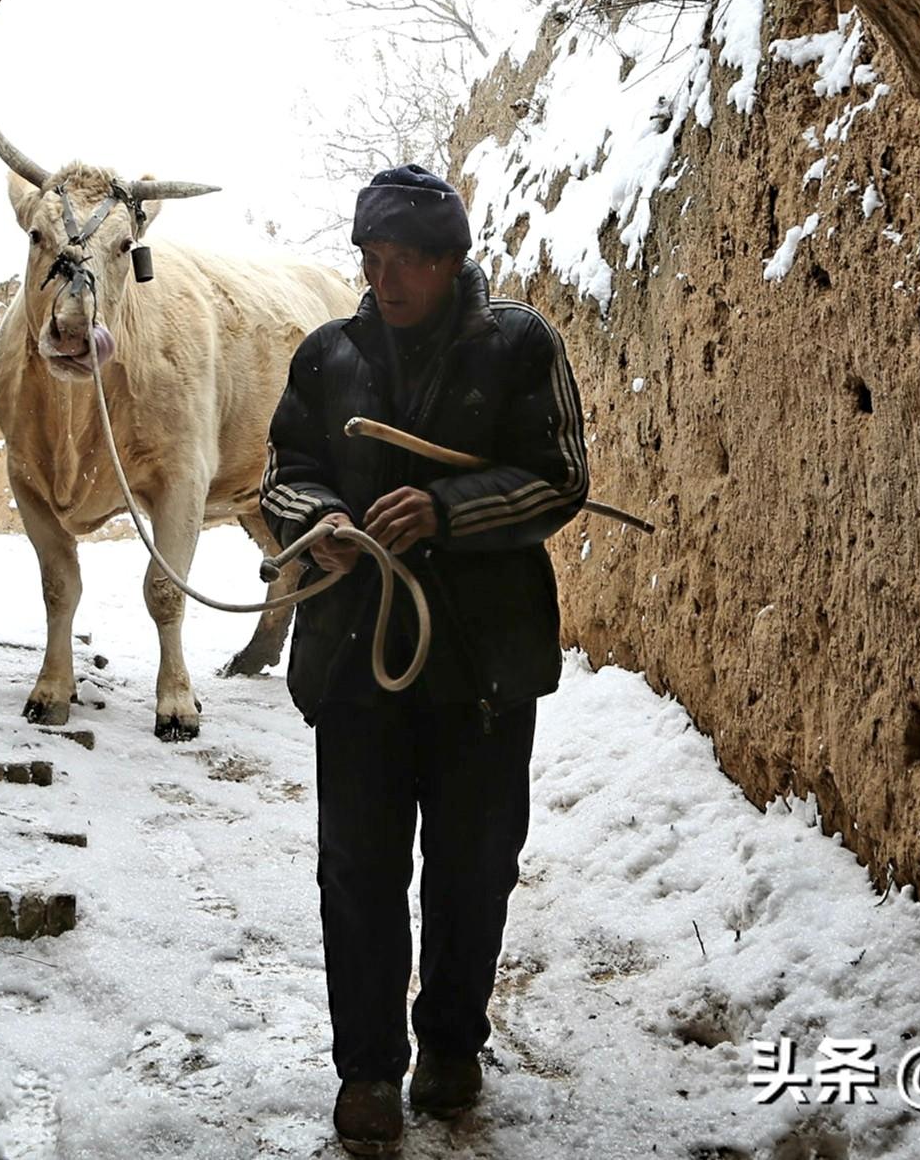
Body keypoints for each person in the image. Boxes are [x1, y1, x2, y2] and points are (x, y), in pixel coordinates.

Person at [259, 164, 589, 1156]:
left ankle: (450, 1041)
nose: (386, 278)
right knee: (354, 869)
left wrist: (446, 510)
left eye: (407, 260)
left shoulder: (518, 346)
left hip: (482, 667)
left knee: (471, 866)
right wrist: (315, 518)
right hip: (357, 658)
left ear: (452, 262)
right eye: (372, 258)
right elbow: (284, 469)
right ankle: (364, 1070)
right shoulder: (328, 357)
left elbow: (561, 476)